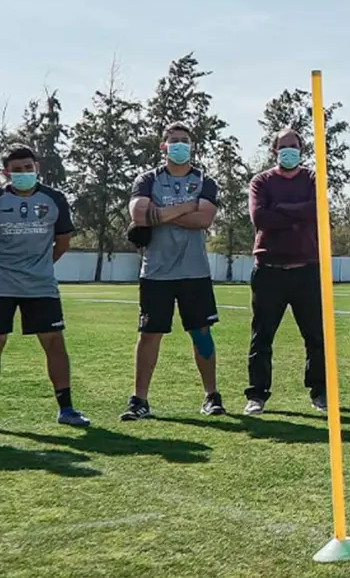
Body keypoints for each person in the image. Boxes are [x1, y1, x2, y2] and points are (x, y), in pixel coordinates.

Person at [0, 144, 89, 433]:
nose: (24, 173)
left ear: (37, 168)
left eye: (28, 168)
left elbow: (63, 242)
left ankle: (67, 409)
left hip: (41, 286)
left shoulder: (54, 199)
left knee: (55, 343)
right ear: (5, 173)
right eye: (17, 170)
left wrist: (40, 266)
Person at [121, 122, 222, 420]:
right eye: (174, 140)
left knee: (201, 334)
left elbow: (204, 220)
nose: (180, 145)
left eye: (185, 141)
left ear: (191, 146)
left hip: (195, 272)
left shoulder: (205, 181)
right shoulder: (147, 179)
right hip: (156, 273)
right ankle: (139, 400)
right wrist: (187, 207)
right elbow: (138, 214)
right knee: (149, 335)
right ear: (163, 146)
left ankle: (211, 396)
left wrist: (160, 214)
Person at [244, 128, 326, 415]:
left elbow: (318, 210)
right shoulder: (261, 181)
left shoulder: (313, 178)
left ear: (302, 149)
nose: (289, 150)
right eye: (283, 146)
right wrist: (296, 217)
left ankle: (320, 392)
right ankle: (256, 394)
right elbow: (259, 217)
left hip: (307, 269)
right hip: (269, 270)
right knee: (262, 336)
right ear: (274, 150)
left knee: (316, 336)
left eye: (294, 145)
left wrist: (280, 208)